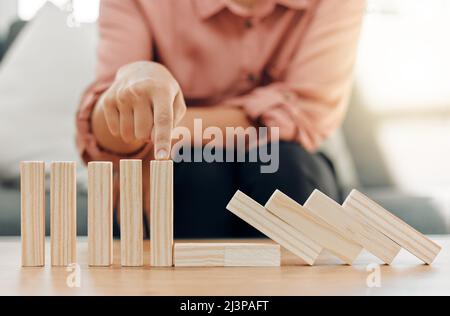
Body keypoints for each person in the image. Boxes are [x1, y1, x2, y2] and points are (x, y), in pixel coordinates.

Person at [76, 0, 366, 238]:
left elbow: (307, 114)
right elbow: (106, 139)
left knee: (285, 168)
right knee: (193, 169)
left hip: (287, 167)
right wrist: (130, 96)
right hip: (184, 171)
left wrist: (158, 126)